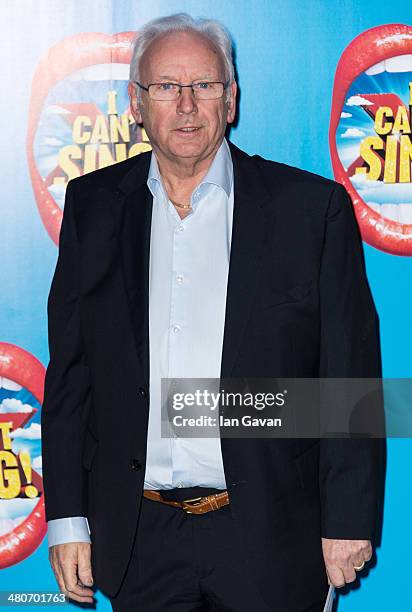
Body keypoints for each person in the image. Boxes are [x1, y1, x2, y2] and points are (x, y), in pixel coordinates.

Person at [42, 13, 384, 612]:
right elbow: (71, 379)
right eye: (166, 87)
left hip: (273, 536)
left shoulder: (311, 212)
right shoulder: (92, 210)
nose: (187, 105)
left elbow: (349, 377)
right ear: (135, 103)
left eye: (204, 86)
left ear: (231, 101)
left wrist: (349, 517)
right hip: (138, 539)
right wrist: (68, 518)